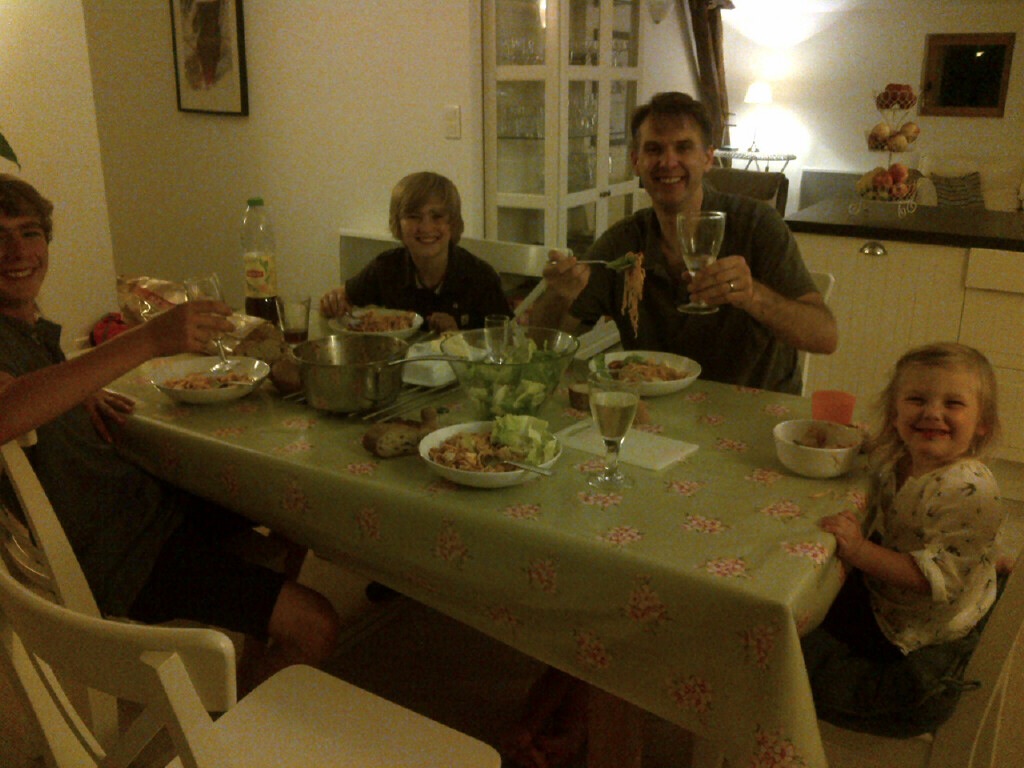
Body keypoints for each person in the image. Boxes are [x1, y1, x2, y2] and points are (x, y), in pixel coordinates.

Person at [0, 174, 340, 695]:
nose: (17, 251)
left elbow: (27, 388)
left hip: (144, 507)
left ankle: (255, 661)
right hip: (122, 555)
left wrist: (76, 386)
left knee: (290, 502)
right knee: (316, 623)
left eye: (29, 232)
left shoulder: (25, 328)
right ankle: (238, 728)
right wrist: (150, 338)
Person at [531, 91, 837, 395]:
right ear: (636, 161)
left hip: (754, 410)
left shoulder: (757, 226)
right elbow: (538, 345)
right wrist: (559, 296)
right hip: (658, 411)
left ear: (707, 158)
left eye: (683, 147)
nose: (668, 162)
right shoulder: (623, 243)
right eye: (654, 149)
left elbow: (824, 337)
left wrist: (753, 295)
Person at [803, 341, 1004, 737]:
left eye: (953, 404)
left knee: (796, 629)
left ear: (983, 423)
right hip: (896, 587)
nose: (932, 412)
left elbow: (932, 580)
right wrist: (854, 440)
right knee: (815, 586)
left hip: (911, 625)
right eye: (916, 400)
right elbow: (876, 449)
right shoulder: (904, 453)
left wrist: (860, 550)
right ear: (894, 414)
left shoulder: (966, 489)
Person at [320, 171, 511, 333]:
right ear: (398, 224)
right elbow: (344, 296)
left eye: (437, 216)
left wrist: (459, 336)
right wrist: (333, 302)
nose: (426, 227)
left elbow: (507, 341)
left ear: (453, 223)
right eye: (413, 216)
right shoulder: (386, 268)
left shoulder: (480, 278)